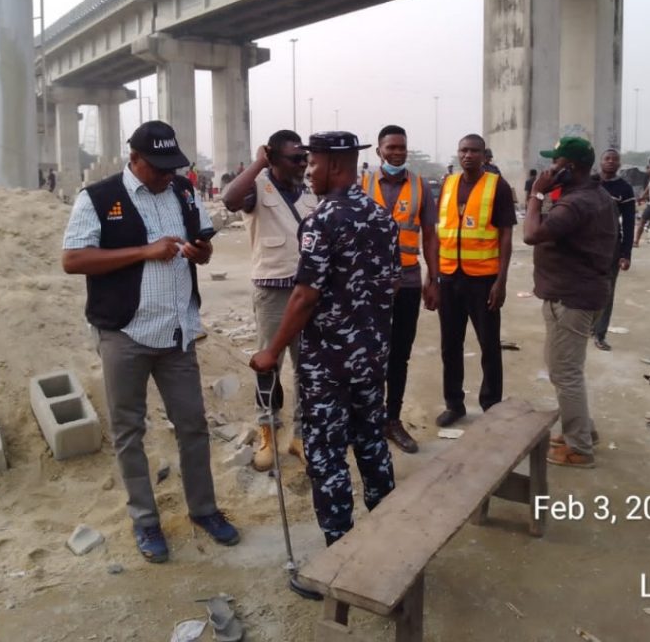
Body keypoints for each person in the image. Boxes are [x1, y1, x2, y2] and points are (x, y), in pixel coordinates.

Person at [61, 120, 239, 563]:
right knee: (129, 431)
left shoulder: (182, 192)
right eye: (157, 168)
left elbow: (204, 243)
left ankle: (203, 509)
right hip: (125, 333)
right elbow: (73, 259)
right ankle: (145, 519)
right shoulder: (98, 199)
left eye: (170, 167)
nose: (165, 175)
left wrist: (202, 253)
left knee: (193, 425)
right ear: (134, 159)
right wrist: (144, 250)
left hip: (177, 332)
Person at [249, 131, 400, 546]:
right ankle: (387, 537)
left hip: (329, 367)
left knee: (327, 454)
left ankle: (340, 550)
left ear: (333, 164)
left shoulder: (323, 220)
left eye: (312, 163)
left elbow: (304, 295)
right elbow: (388, 281)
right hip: (370, 358)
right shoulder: (381, 216)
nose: (308, 172)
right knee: (371, 443)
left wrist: (272, 351)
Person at [222, 130, 318, 471]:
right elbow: (230, 200)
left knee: (307, 368)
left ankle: (300, 436)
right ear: (273, 158)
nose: (302, 163)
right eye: (295, 158)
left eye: (304, 158)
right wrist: (258, 162)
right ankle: (267, 431)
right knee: (268, 365)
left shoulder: (308, 192)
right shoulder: (257, 189)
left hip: (307, 293)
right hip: (273, 294)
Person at [524, 136, 617, 468]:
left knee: (565, 373)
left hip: (571, 299)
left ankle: (579, 449)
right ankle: (582, 430)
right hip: (576, 294)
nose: (550, 169)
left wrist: (536, 193)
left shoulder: (578, 203)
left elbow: (531, 234)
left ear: (569, 167)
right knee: (561, 367)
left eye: (555, 163)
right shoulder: (593, 195)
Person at [363, 125, 439, 453]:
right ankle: (369, 418)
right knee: (368, 353)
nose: (397, 152)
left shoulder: (421, 187)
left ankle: (392, 418)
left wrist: (433, 279)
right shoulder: (362, 185)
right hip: (368, 284)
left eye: (402, 147)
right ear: (379, 150)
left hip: (407, 282)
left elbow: (431, 236)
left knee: (399, 354)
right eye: (391, 147)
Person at [435, 134, 515, 427]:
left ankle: (491, 404)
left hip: (483, 280)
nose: (467, 155)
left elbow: (506, 234)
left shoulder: (498, 186)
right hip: (450, 277)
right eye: (463, 150)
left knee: (489, 346)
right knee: (450, 345)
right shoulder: (448, 183)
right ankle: (454, 404)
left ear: (485, 156)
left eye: (474, 151)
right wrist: (434, 276)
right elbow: (439, 228)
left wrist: (501, 281)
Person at [593, 149, 635, 351]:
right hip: (587, 245)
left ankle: (600, 334)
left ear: (619, 164)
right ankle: (587, 326)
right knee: (585, 286)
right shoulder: (590, 182)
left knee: (607, 291)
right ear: (600, 162)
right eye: (607, 158)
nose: (610, 162)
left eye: (614, 159)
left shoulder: (624, 189)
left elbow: (628, 223)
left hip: (611, 247)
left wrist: (626, 254)